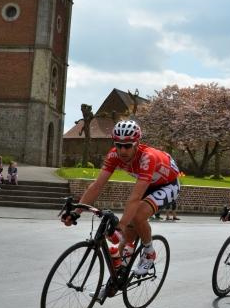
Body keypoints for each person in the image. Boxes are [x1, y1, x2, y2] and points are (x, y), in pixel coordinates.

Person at [61, 120, 180, 286]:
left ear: (137, 143)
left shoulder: (147, 157)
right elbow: (97, 186)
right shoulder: (114, 155)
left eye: (128, 146)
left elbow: (135, 197)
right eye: (118, 145)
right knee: (127, 235)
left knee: (137, 215)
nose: (122, 150)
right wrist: (76, 212)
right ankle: (117, 278)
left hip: (168, 184)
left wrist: (120, 226)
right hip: (148, 183)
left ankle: (149, 252)